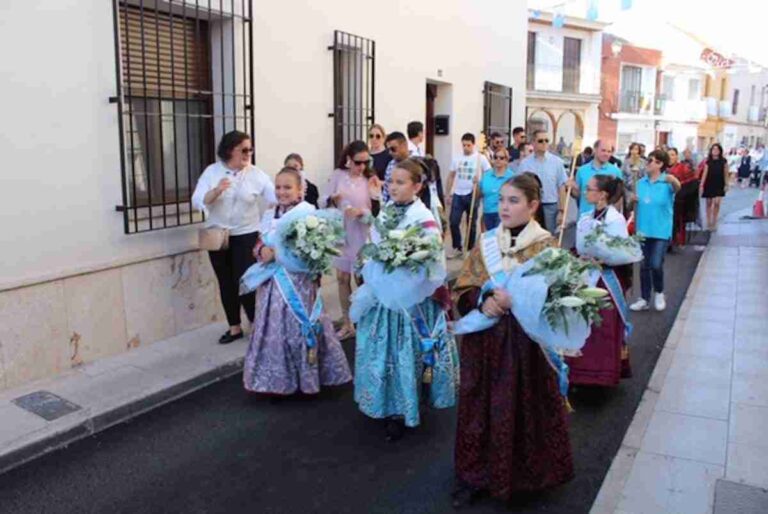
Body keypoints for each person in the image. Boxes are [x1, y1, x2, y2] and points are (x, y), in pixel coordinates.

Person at [451, 173, 573, 507]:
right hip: (486, 340)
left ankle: (522, 478)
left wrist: (517, 301)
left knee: (521, 405)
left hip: (525, 345)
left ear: (533, 206)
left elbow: (557, 300)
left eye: (513, 201)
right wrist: (482, 300)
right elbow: (463, 285)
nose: (504, 207)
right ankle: (476, 473)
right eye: (502, 199)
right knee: (480, 406)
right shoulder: (487, 241)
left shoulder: (547, 246)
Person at [353, 158, 459, 441]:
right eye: (391, 182)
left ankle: (402, 409)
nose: (394, 187)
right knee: (380, 351)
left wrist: (405, 268)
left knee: (403, 355)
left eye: (401, 182)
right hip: (383, 297)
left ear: (417, 185)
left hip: (412, 301)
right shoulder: (386, 211)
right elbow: (373, 243)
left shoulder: (423, 219)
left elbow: (433, 260)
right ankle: (381, 400)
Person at [243, 167, 352, 395]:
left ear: (300, 190)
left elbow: (311, 252)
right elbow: (260, 242)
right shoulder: (270, 214)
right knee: (272, 329)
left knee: (297, 327)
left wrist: (279, 254)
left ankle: (308, 377)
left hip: (298, 284)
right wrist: (261, 249)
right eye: (278, 187)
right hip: (271, 283)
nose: (282, 192)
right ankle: (274, 380)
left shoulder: (308, 215)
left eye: (287, 187)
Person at [191, 130, 276, 345]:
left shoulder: (256, 174)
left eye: (250, 149)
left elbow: (275, 198)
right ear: (230, 150)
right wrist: (217, 191)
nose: (249, 154)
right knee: (225, 282)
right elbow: (198, 200)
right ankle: (234, 327)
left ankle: (256, 325)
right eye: (244, 150)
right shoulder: (212, 172)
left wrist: (270, 225)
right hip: (218, 236)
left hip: (245, 234)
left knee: (247, 280)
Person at [568, 175, 632, 386]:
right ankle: (579, 373)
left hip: (606, 277)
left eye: (589, 189)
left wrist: (603, 258)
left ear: (602, 194)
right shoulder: (586, 217)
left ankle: (602, 374)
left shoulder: (615, 219)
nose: (585, 192)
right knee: (579, 321)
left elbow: (622, 251)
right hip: (586, 274)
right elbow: (579, 247)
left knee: (601, 324)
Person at [323, 140, 380, 339]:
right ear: (348, 159)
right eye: (358, 162)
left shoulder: (370, 179)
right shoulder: (338, 176)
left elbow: (378, 207)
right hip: (342, 231)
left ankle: (365, 319)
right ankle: (347, 322)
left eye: (366, 162)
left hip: (362, 231)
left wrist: (362, 211)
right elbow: (323, 199)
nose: (362, 166)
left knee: (361, 278)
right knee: (342, 278)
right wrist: (334, 199)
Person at [630, 150, 681, 312]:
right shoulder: (640, 183)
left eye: (651, 161)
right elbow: (634, 206)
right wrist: (632, 201)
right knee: (644, 265)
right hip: (643, 230)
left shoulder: (667, 183)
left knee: (656, 264)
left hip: (660, 230)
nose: (648, 163)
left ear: (660, 164)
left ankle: (659, 292)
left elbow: (678, 188)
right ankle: (644, 298)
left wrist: (673, 179)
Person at [445, 133, 492, 258]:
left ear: (473, 144)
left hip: (473, 192)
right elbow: (451, 176)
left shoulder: (480, 158)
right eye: (464, 145)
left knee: (471, 222)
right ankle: (457, 247)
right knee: (454, 221)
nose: (466, 148)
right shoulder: (457, 158)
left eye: (468, 145)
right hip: (458, 193)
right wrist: (448, 193)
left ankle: (469, 248)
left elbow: (488, 173)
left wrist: (480, 183)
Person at [518, 130, 568, 235]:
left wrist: (561, 211)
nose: (544, 143)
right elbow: (519, 187)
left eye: (546, 140)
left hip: (551, 207)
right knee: (530, 236)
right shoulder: (525, 164)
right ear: (533, 143)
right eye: (541, 141)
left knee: (548, 236)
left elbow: (561, 187)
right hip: (531, 207)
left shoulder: (557, 162)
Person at [570, 139, 623, 217]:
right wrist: (571, 188)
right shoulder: (582, 171)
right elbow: (578, 195)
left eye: (609, 151)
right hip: (584, 217)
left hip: (605, 220)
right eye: (603, 150)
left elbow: (618, 198)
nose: (606, 154)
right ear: (595, 150)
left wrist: (614, 216)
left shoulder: (616, 172)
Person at [668, 148, 699, 247]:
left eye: (673, 155)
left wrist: (682, 192)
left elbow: (692, 182)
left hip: (679, 200)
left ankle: (678, 241)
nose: (670, 157)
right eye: (668, 155)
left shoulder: (683, 168)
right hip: (665, 200)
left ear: (677, 156)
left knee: (679, 222)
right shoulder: (662, 168)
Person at [479, 147, 515, 230]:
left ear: (506, 160)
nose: (498, 160)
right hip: (487, 212)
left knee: (499, 238)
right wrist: (476, 185)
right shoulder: (486, 175)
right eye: (495, 157)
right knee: (490, 239)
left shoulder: (512, 177)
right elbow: (479, 194)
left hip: (503, 213)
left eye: (501, 158)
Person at [699, 143, 728, 231]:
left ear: (720, 151)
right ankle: (708, 221)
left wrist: (727, 184)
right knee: (709, 203)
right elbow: (705, 173)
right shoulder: (708, 161)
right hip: (709, 183)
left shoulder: (724, 161)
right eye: (713, 149)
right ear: (711, 151)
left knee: (717, 203)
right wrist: (702, 185)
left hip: (719, 183)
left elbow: (726, 173)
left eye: (717, 149)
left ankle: (714, 220)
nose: (715, 151)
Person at [381, 131, 411, 202]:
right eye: (388, 149)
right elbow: (386, 190)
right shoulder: (390, 165)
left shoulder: (417, 164)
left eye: (393, 149)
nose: (390, 152)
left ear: (404, 145)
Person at [621, 143, 647, 211]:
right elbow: (622, 175)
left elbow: (645, 175)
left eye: (636, 149)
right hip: (628, 190)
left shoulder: (643, 162)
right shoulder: (625, 162)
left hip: (640, 189)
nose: (634, 151)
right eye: (633, 149)